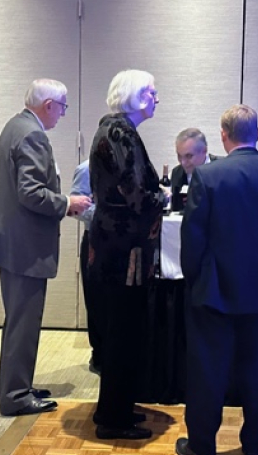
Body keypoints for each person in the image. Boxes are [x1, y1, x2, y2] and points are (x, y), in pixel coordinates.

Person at [177, 105, 258, 455]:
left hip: (213, 291)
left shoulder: (207, 176)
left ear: (223, 136)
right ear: (257, 134)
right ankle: (253, 445)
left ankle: (201, 446)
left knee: (207, 373)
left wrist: (194, 280)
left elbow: (193, 238)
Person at [0, 79, 92, 416]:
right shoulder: (33, 134)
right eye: (63, 107)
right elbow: (30, 192)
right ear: (49, 105)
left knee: (17, 320)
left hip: (13, 242)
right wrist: (68, 202)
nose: (62, 114)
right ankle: (16, 396)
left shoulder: (15, 126)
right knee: (24, 322)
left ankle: (12, 386)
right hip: (25, 246)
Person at [88, 69, 164, 440]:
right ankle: (113, 419)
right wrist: (164, 197)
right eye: (150, 92)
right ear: (132, 95)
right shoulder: (121, 132)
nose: (156, 97)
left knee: (120, 332)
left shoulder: (113, 129)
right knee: (123, 334)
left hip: (113, 245)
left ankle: (114, 408)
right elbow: (136, 195)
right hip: (124, 251)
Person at [69, 159, 102, 374]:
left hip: (124, 242)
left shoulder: (127, 165)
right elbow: (77, 209)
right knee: (96, 300)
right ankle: (99, 355)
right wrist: (108, 213)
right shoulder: (86, 169)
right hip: (95, 241)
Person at [169, 128, 219, 213]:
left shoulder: (221, 170)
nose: (183, 162)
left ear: (204, 151)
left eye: (189, 156)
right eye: (179, 156)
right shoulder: (176, 173)